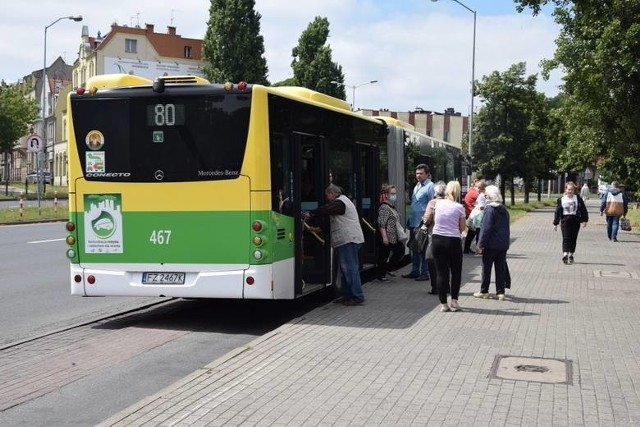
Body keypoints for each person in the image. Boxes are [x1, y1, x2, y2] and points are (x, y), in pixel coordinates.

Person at [305, 184, 365, 305]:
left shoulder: (340, 202)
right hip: (346, 240)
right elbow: (332, 223)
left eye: (327, 195)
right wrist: (317, 229)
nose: (327, 198)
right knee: (344, 269)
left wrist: (310, 213)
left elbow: (327, 209)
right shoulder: (340, 204)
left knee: (350, 269)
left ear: (332, 193)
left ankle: (357, 296)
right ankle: (347, 295)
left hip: (349, 240)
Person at [431, 180, 466, 312]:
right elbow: (462, 228)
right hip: (453, 241)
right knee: (456, 272)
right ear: (457, 192)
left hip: (437, 240)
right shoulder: (459, 207)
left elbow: (435, 221)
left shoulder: (438, 204)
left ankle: (443, 304)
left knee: (441, 273)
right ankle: (454, 301)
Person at [473, 185, 510, 300]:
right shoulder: (503, 209)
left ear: (489, 196)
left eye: (486, 194)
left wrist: (480, 244)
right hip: (503, 244)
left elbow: (486, 228)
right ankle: (500, 292)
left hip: (491, 244)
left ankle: (484, 291)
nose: (485, 196)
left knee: (487, 267)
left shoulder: (490, 209)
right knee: (500, 268)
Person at [402, 164, 434, 281]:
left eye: (421, 173)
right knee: (415, 247)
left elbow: (432, 204)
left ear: (427, 174)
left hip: (422, 223)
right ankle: (415, 271)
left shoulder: (430, 186)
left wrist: (428, 222)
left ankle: (425, 273)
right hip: (414, 222)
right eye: (417, 173)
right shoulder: (417, 186)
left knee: (423, 248)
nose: (418, 175)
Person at [553, 181, 589, 264]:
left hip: (575, 220)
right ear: (566, 189)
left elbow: (583, 210)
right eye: (569, 189)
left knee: (573, 238)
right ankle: (565, 254)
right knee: (566, 238)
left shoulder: (578, 199)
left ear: (574, 190)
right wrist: (555, 223)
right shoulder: (561, 199)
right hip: (565, 220)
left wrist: (584, 220)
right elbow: (557, 211)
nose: (570, 191)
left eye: (572, 189)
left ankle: (571, 255)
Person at [376, 184, 406, 281]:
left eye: (395, 193)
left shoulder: (391, 206)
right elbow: (382, 223)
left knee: (399, 250)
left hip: (393, 236)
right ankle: (381, 275)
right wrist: (384, 237)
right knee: (384, 255)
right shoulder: (384, 207)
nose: (394, 195)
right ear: (386, 195)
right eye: (392, 193)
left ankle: (386, 270)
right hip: (387, 236)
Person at [421, 181, 447, 295]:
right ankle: (447, 286)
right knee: (445, 262)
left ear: (435, 193)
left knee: (432, 261)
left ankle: (435, 287)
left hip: (434, 235)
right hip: (448, 236)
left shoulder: (432, 203)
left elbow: (426, 220)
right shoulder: (450, 202)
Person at [463, 180, 480, 254]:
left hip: (470, 213)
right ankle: (478, 250)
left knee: (472, 232)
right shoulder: (475, 193)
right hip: (472, 215)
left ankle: (466, 249)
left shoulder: (471, 191)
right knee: (476, 231)